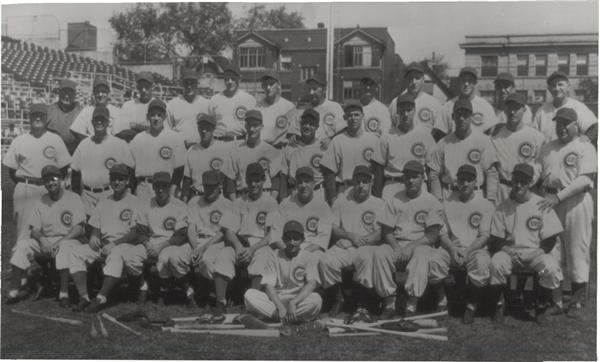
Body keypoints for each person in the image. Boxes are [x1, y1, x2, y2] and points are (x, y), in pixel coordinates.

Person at [537, 107, 597, 319]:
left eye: (567, 123)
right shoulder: (548, 148)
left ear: (576, 125)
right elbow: (539, 174)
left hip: (576, 201)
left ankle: (577, 301)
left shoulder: (584, 146)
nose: (562, 127)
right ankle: (557, 302)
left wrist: (558, 197)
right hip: (550, 201)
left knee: (576, 248)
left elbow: (584, 179)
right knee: (552, 250)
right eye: (559, 123)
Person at [488, 163, 564, 324]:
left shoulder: (541, 204)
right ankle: (499, 305)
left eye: (523, 181)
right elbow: (495, 241)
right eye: (516, 181)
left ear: (530, 183)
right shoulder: (503, 206)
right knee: (496, 263)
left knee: (550, 268)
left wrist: (533, 254)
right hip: (511, 252)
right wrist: (509, 252)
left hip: (536, 252)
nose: (519, 185)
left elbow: (550, 241)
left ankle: (541, 305)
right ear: (512, 180)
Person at [373, 160, 449, 318]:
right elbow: (386, 230)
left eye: (415, 177)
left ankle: (411, 306)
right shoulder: (395, 199)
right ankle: (389, 304)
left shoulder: (431, 201)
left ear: (423, 178)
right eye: (407, 177)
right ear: (403, 178)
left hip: (421, 243)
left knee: (422, 255)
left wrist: (410, 248)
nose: (411, 180)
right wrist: (396, 247)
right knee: (380, 253)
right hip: (397, 243)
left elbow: (432, 236)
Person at [6, 165, 86, 307]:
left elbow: (79, 228)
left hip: (69, 239)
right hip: (47, 240)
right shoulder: (41, 200)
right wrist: (42, 240)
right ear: (44, 183)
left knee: (64, 247)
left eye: (54, 179)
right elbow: (34, 229)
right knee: (22, 245)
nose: (51, 183)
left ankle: (64, 293)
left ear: (60, 179)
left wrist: (60, 242)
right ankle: (14, 290)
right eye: (47, 180)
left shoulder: (73, 198)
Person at [68, 163, 140, 312]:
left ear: (127, 181)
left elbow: (135, 232)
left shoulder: (135, 201)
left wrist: (114, 244)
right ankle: (84, 297)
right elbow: (96, 225)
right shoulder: (104, 201)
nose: (116, 182)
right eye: (113, 179)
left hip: (126, 244)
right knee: (76, 253)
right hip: (103, 244)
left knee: (116, 255)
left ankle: (101, 298)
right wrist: (94, 235)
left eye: (120, 179)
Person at [318, 165, 385, 319]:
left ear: (371, 183)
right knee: (325, 261)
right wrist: (348, 236)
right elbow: (333, 226)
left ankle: (363, 304)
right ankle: (338, 299)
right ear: (353, 182)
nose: (361, 185)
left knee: (367, 259)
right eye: (358, 181)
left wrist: (363, 241)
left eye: (365, 182)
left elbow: (383, 231)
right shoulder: (342, 200)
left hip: (368, 246)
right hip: (346, 245)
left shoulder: (379, 203)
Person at [218, 163, 281, 313]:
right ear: (245, 180)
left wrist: (252, 249)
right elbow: (228, 230)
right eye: (250, 180)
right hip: (240, 243)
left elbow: (271, 235)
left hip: (260, 244)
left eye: (257, 180)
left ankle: (253, 303)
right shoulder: (239, 202)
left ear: (264, 180)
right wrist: (238, 246)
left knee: (263, 256)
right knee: (224, 255)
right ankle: (220, 302)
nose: (253, 184)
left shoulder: (270, 202)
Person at [3, 104, 71, 241]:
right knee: (23, 232)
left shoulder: (55, 139)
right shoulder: (19, 141)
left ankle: (50, 259)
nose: (38, 118)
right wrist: (27, 183)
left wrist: (55, 186)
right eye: (34, 115)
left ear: (46, 118)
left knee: (51, 229)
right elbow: (12, 171)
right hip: (26, 189)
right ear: (29, 117)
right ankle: (20, 259)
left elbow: (64, 168)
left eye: (41, 115)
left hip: (49, 188)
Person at [439, 164, 495, 324]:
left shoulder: (484, 204)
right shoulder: (447, 202)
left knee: (483, 263)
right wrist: (452, 248)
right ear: (456, 181)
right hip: (452, 248)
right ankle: (441, 302)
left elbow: (484, 236)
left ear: (475, 182)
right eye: (462, 180)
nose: (465, 184)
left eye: (469, 180)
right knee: (434, 260)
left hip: (475, 249)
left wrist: (467, 251)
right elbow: (442, 234)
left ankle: (471, 304)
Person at [244, 220, 322, 323]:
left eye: (296, 239)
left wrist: (293, 302)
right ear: (283, 239)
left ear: (302, 240)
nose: (292, 242)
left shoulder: (308, 256)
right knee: (250, 295)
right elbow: (268, 286)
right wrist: (280, 307)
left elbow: (312, 283)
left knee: (316, 300)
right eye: (288, 238)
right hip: (275, 300)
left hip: (296, 300)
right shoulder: (274, 255)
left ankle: (274, 317)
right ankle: (289, 318)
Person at [428, 99, 499, 202]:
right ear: (453, 117)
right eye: (458, 114)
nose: (462, 118)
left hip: (476, 196)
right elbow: (434, 173)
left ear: (471, 117)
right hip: (450, 196)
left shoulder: (483, 141)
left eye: (466, 115)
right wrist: (438, 199)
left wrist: (491, 200)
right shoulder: (443, 143)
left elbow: (491, 173)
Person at [134, 171, 189, 305]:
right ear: (152, 187)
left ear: (169, 187)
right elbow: (140, 231)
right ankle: (143, 286)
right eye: (157, 186)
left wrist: (160, 246)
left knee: (165, 258)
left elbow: (181, 236)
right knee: (131, 256)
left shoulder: (180, 205)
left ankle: (164, 291)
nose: (160, 190)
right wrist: (147, 244)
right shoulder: (146, 204)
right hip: (151, 242)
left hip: (171, 243)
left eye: (164, 186)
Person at [70, 106, 134, 217]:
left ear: (108, 122)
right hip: (87, 197)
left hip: (110, 195)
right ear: (92, 122)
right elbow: (75, 173)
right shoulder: (84, 144)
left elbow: (130, 171)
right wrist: (78, 197)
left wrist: (125, 195)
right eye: (96, 119)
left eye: (103, 119)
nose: (99, 122)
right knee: (89, 232)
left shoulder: (119, 144)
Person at [188, 170, 235, 315]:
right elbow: (191, 227)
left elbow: (224, 232)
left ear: (220, 186)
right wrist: (195, 246)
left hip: (216, 241)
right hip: (197, 240)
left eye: (212, 187)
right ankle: (193, 293)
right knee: (186, 257)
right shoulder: (194, 202)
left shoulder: (227, 204)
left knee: (208, 259)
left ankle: (214, 294)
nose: (208, 190)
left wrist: (204, 247)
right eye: (206, 186)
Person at [320, 101, 385, 205]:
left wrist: (376, 197)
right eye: (350, 115)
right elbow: (329, 173)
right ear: (345, 118)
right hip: (345, 190)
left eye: (356, 115)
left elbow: (378, 173)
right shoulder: (337, 140)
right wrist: (332, 198)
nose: (353, 118)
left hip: (367, 192)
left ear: (362, 116)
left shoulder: (373, 140)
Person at [490, 93, 545, 205]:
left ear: (524, 110)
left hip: (525, 190)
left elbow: (539, 165)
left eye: (516, 108)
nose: (512, 112)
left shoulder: (536, 137)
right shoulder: (496, 137)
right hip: (502, 191)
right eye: (509, 108)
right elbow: (492, 169)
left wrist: (527, 185)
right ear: (504, 110)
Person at [381, 93, 435, 200]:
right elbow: (378, 167)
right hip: (393, 184)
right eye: (402, 110)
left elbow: (431, 168)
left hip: (418, 187)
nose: (405, 114)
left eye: (409, 110)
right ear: (397, 112)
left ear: (414, 110)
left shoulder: (425, 135)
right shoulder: (387, 136)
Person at [129, 99, 186, 202]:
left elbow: (179, 169)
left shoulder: (174, 137)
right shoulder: (138, 139)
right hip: (144, 187)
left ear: (164, 117)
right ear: (147, 116)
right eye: (152, 115)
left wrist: (172, 192)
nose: (156, 118)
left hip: (165, 188)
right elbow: (130, 169)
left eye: (159, 115)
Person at [221, 110, 282, 200]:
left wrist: (272, 202)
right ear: (245, 126)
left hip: (265, 196)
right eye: (249, 125)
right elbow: (230, 181)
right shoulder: (235, 151)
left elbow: (276, 181)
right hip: (243, 197)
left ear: (261, 126)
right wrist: (235, 204)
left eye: (255, 125)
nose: (251, 129)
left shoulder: (270, 150)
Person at [275, 167, 333, 256]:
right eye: (299, 182)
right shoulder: (285, 204)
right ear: (295, 185)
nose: (303, 185)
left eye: (307, 181)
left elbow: (321, 241)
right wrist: (289, 252)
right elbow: (276, 236)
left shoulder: (323, 206)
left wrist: (301, 255)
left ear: (313, 184)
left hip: (311, 251)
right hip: (287, 250)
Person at [532, 71, 597, 143]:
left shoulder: (578, 107)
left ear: (568, 87)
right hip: (547, 152)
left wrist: (587, 138)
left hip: (570, 152)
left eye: (560, 85)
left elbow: (594, 126)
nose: (556, 88)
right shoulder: (542, 111)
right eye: (553, 85)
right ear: (549, 89)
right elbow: (533, 134)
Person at [436, 67, 497, 140]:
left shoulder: (485, 106)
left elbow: (491, 133)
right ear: (459, 82)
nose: (466, 84)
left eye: (470, 81)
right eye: (463, 80)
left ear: (475, 83)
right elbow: (440, 134)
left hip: (477, 149)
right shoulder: (448, 106)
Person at [181, 113, 232, 201]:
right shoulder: (192, 151)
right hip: (197, 197)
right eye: (201, 128)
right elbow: (187, 180)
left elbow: (229, 180)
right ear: (198, 129)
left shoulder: (222, 149)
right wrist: (184, 203)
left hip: (217, 198)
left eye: (207, 128)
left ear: (213, 129)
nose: (204, 131)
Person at [280, 109, 325, 199]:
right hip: (294, 193)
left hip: (317, 193)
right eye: (305, 123)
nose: (307, 126)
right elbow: (283, 175)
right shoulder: (291, 146)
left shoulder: (323, 147)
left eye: (311, 124)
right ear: (300, 124)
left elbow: (328, 176)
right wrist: (282, 198)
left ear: (317, 127)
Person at [388, 62, 443, 131]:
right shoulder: (395, 103)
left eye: (417, 78)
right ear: (405, 80)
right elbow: (389, 129)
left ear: (423, 79)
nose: (414, 82)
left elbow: (440, 131)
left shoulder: (434, 104)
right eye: (410, 78)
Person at [166, 68, 211, 148]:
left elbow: (212, 129)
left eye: (192, 83)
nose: (189, 86)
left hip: (201, 149)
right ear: (182, 84)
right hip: (179, 148)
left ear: (197, 84)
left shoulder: (207, 104)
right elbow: (166, 130)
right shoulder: (172, 104)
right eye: (186, 83)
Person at [210, 67, 257, 142]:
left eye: (233, 78)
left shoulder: (249, 99)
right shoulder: (214, 99)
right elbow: (210, 124)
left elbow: (255, 125)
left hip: (239, 141)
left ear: (239, 79)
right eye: (227, 79)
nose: (230, 82)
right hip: (219, 142)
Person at [70, 76, 124, 141]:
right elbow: (76, 131)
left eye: (103, 91)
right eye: (97, 92)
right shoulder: (86, 111)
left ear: (108, 93)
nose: (100, 94)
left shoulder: (116, 111)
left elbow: (119, 135)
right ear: (94, 94)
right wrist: (91, 143)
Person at [257, 70, 295, 148]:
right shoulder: (257, 107)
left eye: (271, 84)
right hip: (261, 150)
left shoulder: (289, 107)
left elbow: (294, 133)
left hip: (280, 150)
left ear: (278, 85)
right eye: (265, 84)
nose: (268, 87)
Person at [118, 72, 160, 142]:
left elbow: (160, 131)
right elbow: (122, 131)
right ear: (137, 87)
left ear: (153, 87)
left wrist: (137, 126)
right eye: (141, 87)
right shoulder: (128, 105)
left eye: (146, 87)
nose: (143, 90)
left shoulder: (159, 105)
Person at [46, 78, 83, 154]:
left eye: (70, 93)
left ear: (74, 94)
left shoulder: (81, 112)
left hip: (74, 154)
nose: (66, 96)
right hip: (52, 153)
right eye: (64, 93)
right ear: (59, 93)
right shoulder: (49, 110)